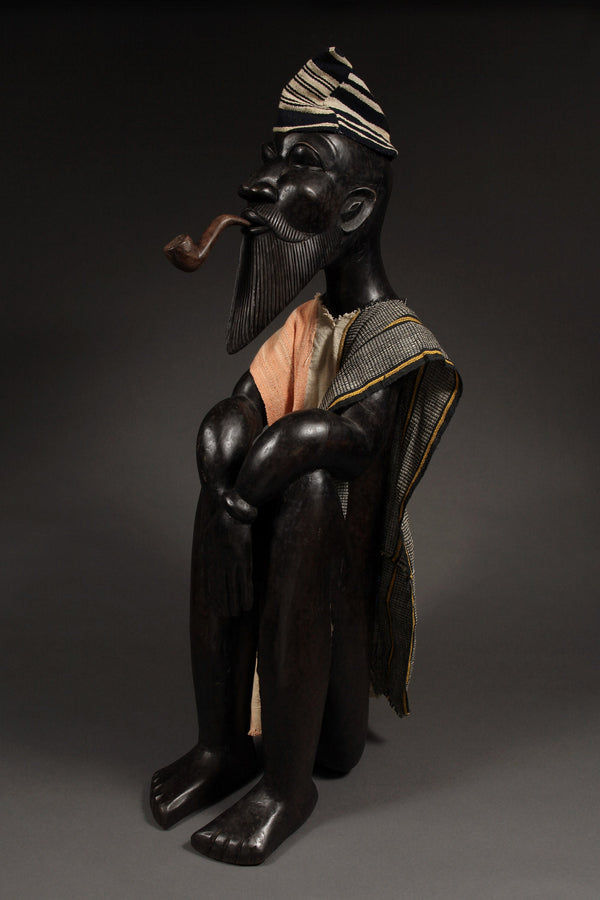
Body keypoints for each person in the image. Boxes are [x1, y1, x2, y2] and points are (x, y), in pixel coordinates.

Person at [150, 47, 461, 866]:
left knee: (315, 487)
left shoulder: (395, 337)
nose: (261, 183)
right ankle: (221, 746)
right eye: (272, 157)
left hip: (329, 681)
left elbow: (342, 439)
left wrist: (246, 497)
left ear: (353, 207)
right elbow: (243, 408)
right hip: (263, 571)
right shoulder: (306, 323)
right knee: (223, 469)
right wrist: (223, 476)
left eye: (300, 163)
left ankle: (288, 786)